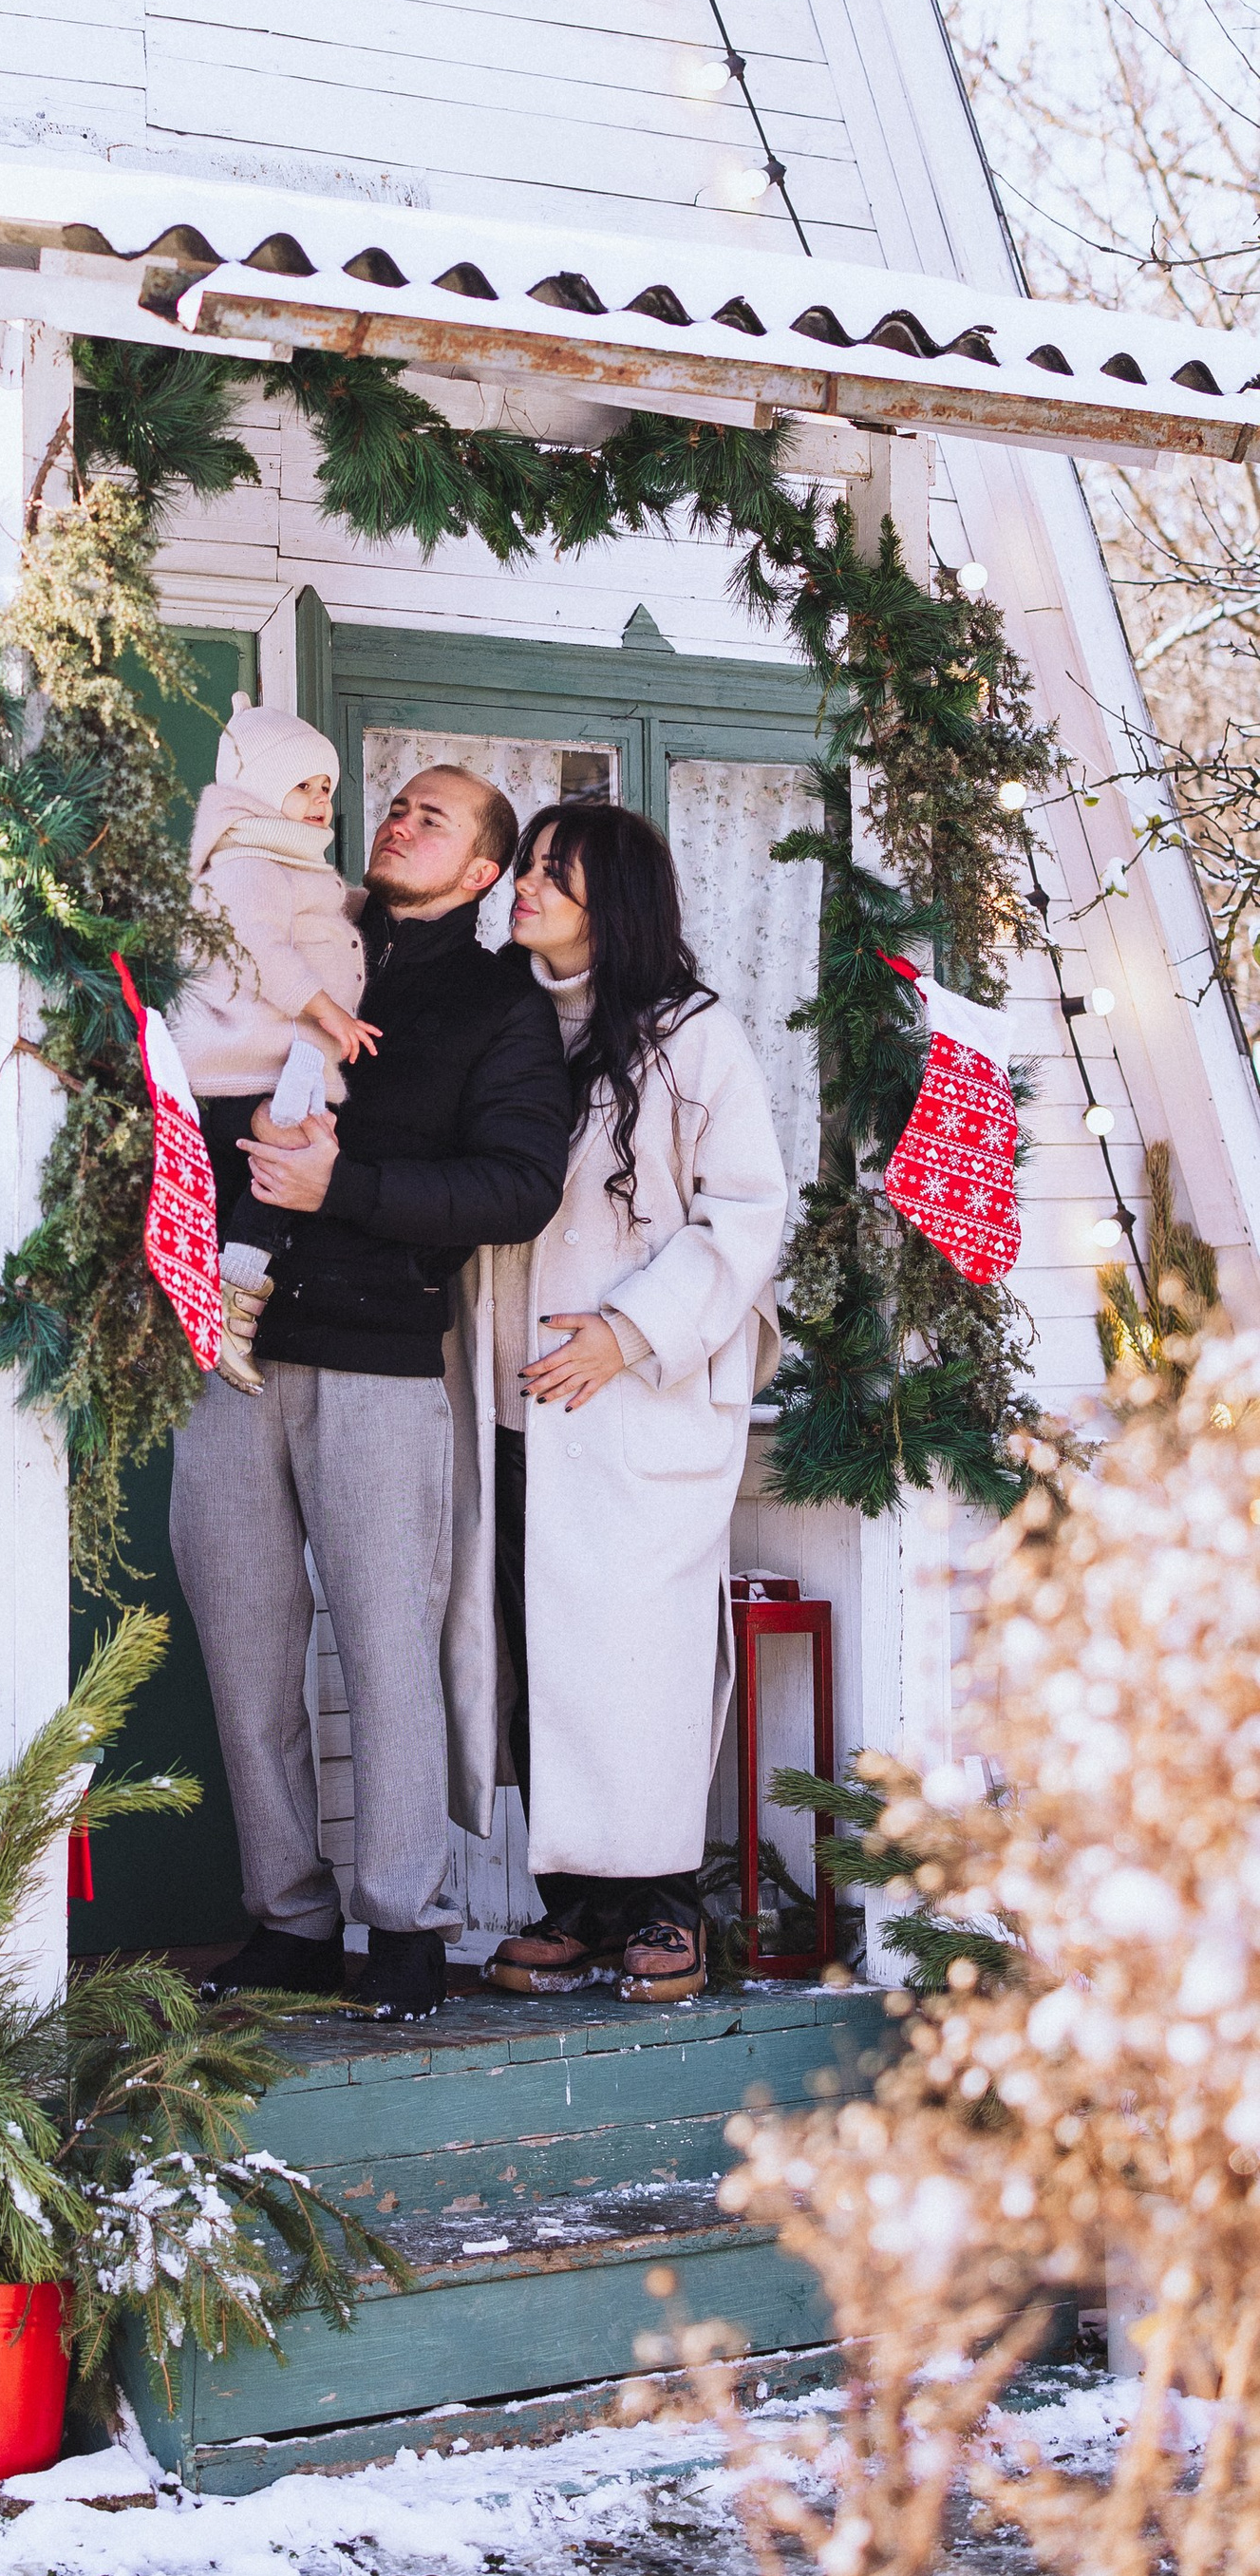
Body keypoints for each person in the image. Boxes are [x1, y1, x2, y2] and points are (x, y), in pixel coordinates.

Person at [169, 764, 574, 2019]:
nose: (399, 822)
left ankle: (404, 1922)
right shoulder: (296, 925)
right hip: (226, 1345)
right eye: (395, 804)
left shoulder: (499, 999)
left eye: (432, 818)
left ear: (479, 873)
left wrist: (341, 1190)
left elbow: (518, 1187)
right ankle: (286, 1917)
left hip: (381, 1357)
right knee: (246, 1650)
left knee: (388, 1644)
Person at [473, 797, 789, 2006]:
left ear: (619, 903)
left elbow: (745, 1213)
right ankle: (573, 1908)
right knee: (532, 1655)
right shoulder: (504, 1019)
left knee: (633, 1654)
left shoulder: (691, 1037)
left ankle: (663, 1902)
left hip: (638, 1405)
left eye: (557, 871)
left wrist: (626, 1330)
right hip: (513, 1401)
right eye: (532, 865)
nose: (529, 885)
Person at [170, 703, 380, 1395]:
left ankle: (225, 1300)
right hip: (243, 1065)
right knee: (284, 1159)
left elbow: (309, 916)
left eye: (327, 787)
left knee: (275, 1172)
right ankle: (230, 1303)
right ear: (258, 791)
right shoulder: (248, 866)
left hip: (270, 1065)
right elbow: (260, 949)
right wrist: (329, 1013)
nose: (322, 801)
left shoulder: (279, 863)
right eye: (302, 786)